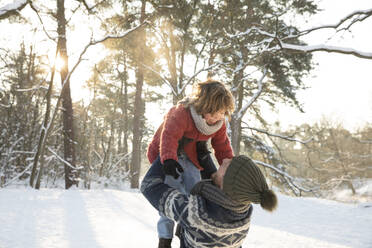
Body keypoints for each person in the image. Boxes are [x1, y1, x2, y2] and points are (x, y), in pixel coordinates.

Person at [146, 79, 235, 248]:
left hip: (191, 155)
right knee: (169, 196)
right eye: (213, 112)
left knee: (195, 192)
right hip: (167, 155)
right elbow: (169, 136)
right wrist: (169, 159)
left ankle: (185, 229)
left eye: (221, 113)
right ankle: (164, 239)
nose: (216, 117)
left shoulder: (218, 123)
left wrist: (230, 165)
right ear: (203, 106)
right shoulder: (182, 113)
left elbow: (222, 146)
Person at [141, 155, 278, 248]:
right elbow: (219, 186)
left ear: (226, 180)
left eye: (229, 163)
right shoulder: (244, 212)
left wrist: (165, 154)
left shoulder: (196, 214)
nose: (224, 160)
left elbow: (149, 186)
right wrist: (204, 156)